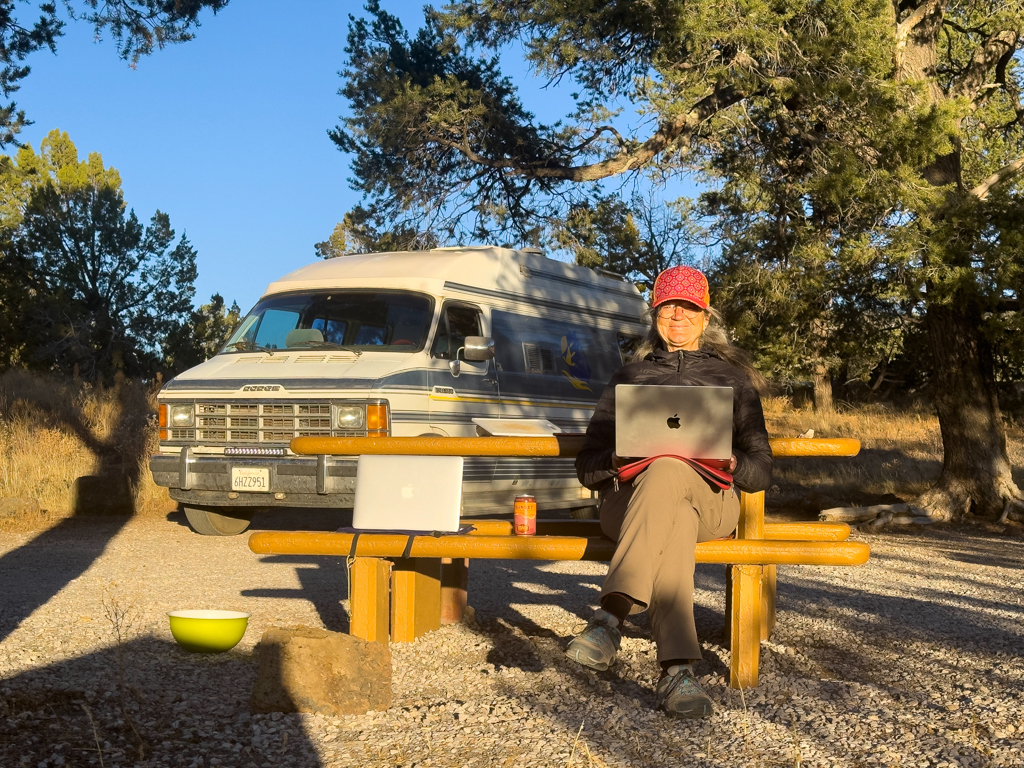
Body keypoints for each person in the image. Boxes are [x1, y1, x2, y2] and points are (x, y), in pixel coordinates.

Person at [568, 264, 773, 718]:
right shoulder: (630, 377)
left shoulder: (732, 381)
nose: (677, 316)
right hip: (630, 503)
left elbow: (762, 471)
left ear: (705, 317)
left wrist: (731, 460)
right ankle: (677, 671)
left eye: (689, 308)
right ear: (655, 315)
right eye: (667, 307)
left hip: (711, 504)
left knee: (669, 469)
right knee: (670, 509)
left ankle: (611, 617)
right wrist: (617, 461)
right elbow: (587, 465)